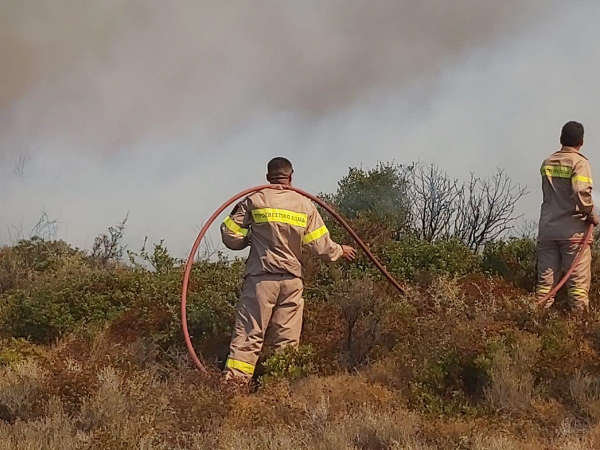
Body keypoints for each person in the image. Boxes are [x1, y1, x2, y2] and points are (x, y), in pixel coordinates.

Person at [220, 157, 357, 380]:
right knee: (287, 341)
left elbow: (229, 234)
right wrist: (340, 250)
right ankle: (279, 389)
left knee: (248, 337)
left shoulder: (255, 200)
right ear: (291, 177)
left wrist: (246, 241)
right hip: (292, 282)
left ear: (267, 177)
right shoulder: (304, 204)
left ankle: (233, 388)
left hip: (261, 281)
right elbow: (321, 246)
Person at [536, 121, 598, 311]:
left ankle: (535, 325)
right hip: (573, 233)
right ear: (581, 141)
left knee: (545, 286)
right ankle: (580, 331)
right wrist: (590, 213)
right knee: (578, 288)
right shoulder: (579, 163)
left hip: (548, 231)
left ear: (561, 139)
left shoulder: (547, 162)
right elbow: (580, 190)